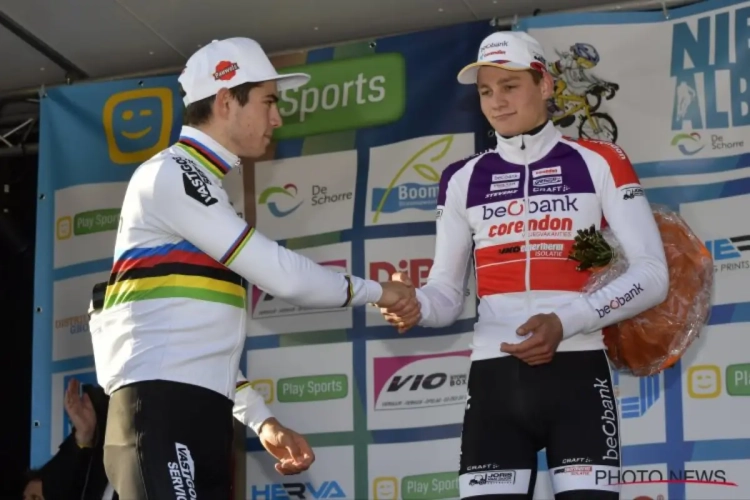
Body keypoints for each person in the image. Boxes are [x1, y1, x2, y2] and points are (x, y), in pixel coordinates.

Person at [91, 37, 415, 499]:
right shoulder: (171, 174)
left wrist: (262, 420)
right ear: (226, 100)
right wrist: (380, 292)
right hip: (158, 409)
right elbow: (285, 276)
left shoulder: (206, 189)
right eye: (268, 102)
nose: (277, 118)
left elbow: (200, 348)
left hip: (200, 414)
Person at [380, 31, 669, 499]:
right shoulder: (461, 178)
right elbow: (446, 295)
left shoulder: (601, 160)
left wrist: (565, 321)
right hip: (494, 378)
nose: (496, 102)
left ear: (545, 84)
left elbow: (653, 274)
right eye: (485, 91)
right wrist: (416, 305)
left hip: (577, 370)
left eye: (510, 86)